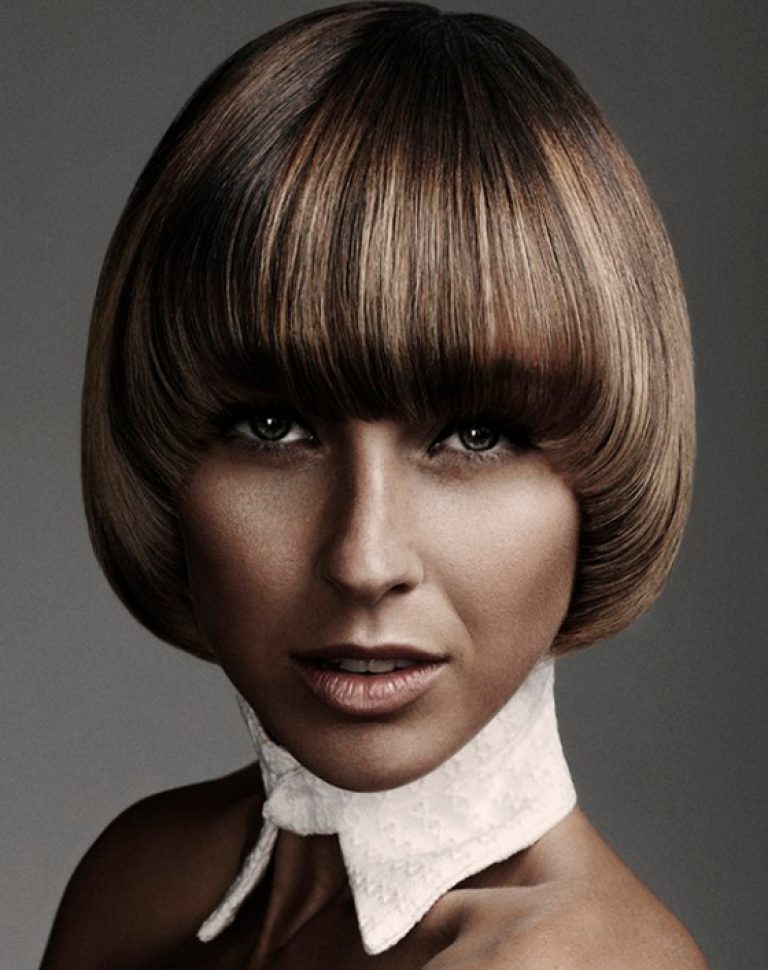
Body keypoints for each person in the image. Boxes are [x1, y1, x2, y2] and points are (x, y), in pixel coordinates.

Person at [40, 3, 708, 967]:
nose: (364, 559)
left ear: (597, 486)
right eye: (274, 427)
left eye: (476, 435)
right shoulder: (137, 881)